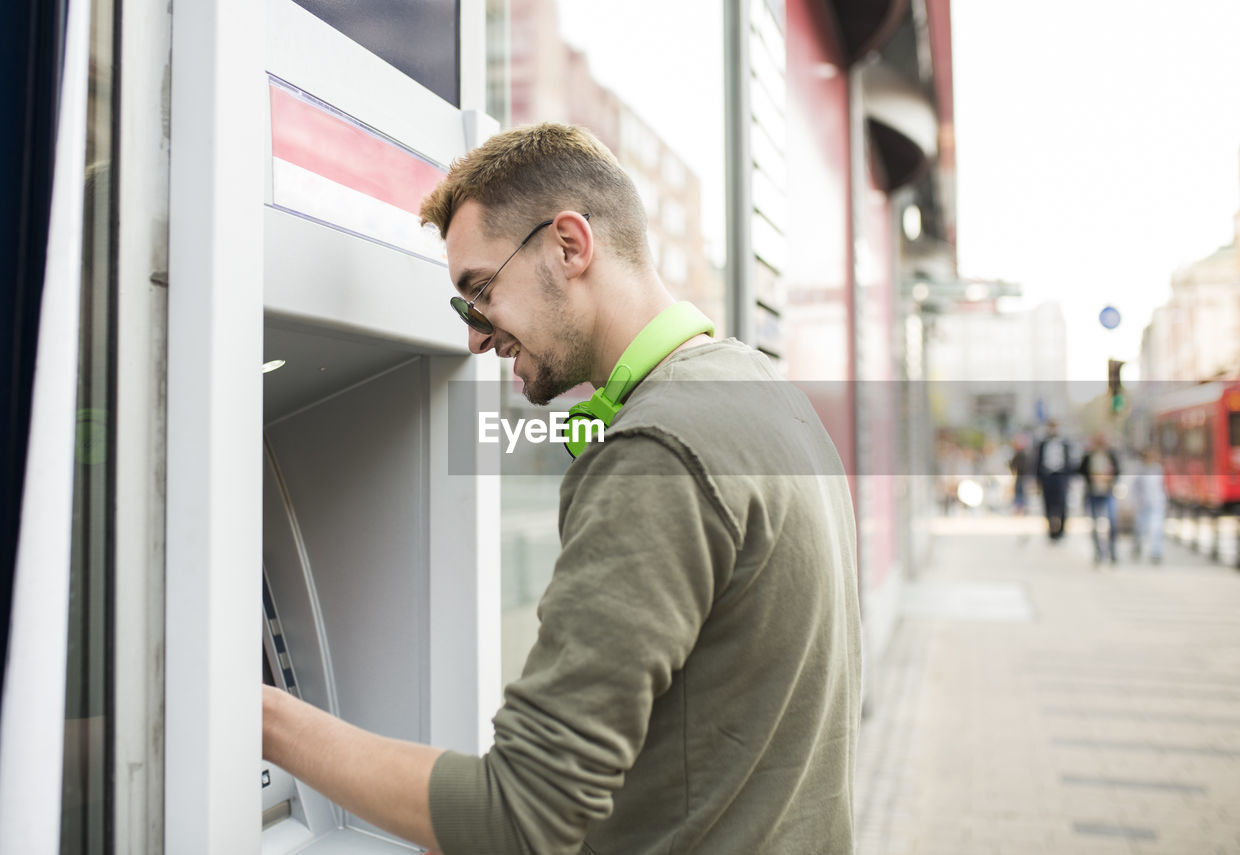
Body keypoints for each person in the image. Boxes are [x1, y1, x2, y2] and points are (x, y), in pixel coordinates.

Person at [261, 123, 861, 854]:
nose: (477, 336)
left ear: (570, 245)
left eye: (480, 290)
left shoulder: (657, 451)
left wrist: (259, 714)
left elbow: (519, 817)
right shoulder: (765, 391)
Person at [1078, 431, 1121, 565]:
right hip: (1093, 493)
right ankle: (1099, 553)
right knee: (1096, 525)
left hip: (1107, 492)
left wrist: (1110, 479)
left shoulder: (1111, 455)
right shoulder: (1089, 456)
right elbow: (1080, 470)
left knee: (1112, 523)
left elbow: (1118, 471)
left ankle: (1112, 552)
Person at [1035, 420, 1071, 541]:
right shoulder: (1043, 444)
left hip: (1060, 477)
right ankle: (1051, 530)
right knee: (1048, 505)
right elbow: (1037, 462)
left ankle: (1061, 530)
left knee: (1062, 505)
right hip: (1047, 476)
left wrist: (1068, 479)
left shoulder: (1064, 443)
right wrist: (1037, 479)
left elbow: (1069, 463)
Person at [1131, 446, 1167, 563]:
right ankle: (1137, 544)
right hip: (1143, 504)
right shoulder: (1140, 471)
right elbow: (1135, 488)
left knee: (1157, 528)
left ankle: (1156, 552)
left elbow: (1163, 486)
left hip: (1157, 503)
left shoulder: (1158, 469)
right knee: (1140, 528)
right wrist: (1135, 501)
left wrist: (1165, 500)